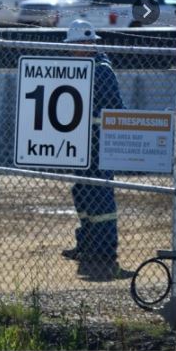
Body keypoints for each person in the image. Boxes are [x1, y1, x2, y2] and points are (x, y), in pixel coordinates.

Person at [60, 20, 128, 280]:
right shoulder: (81, 68)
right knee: (83, 194)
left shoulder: (100, 70)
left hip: (97, 144)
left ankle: (104, 253)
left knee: (100, 198)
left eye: (77, 44)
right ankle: (88, 246)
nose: (73, 50)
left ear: (88, 43)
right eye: (72, 46)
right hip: (80, 144)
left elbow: (114, 109)